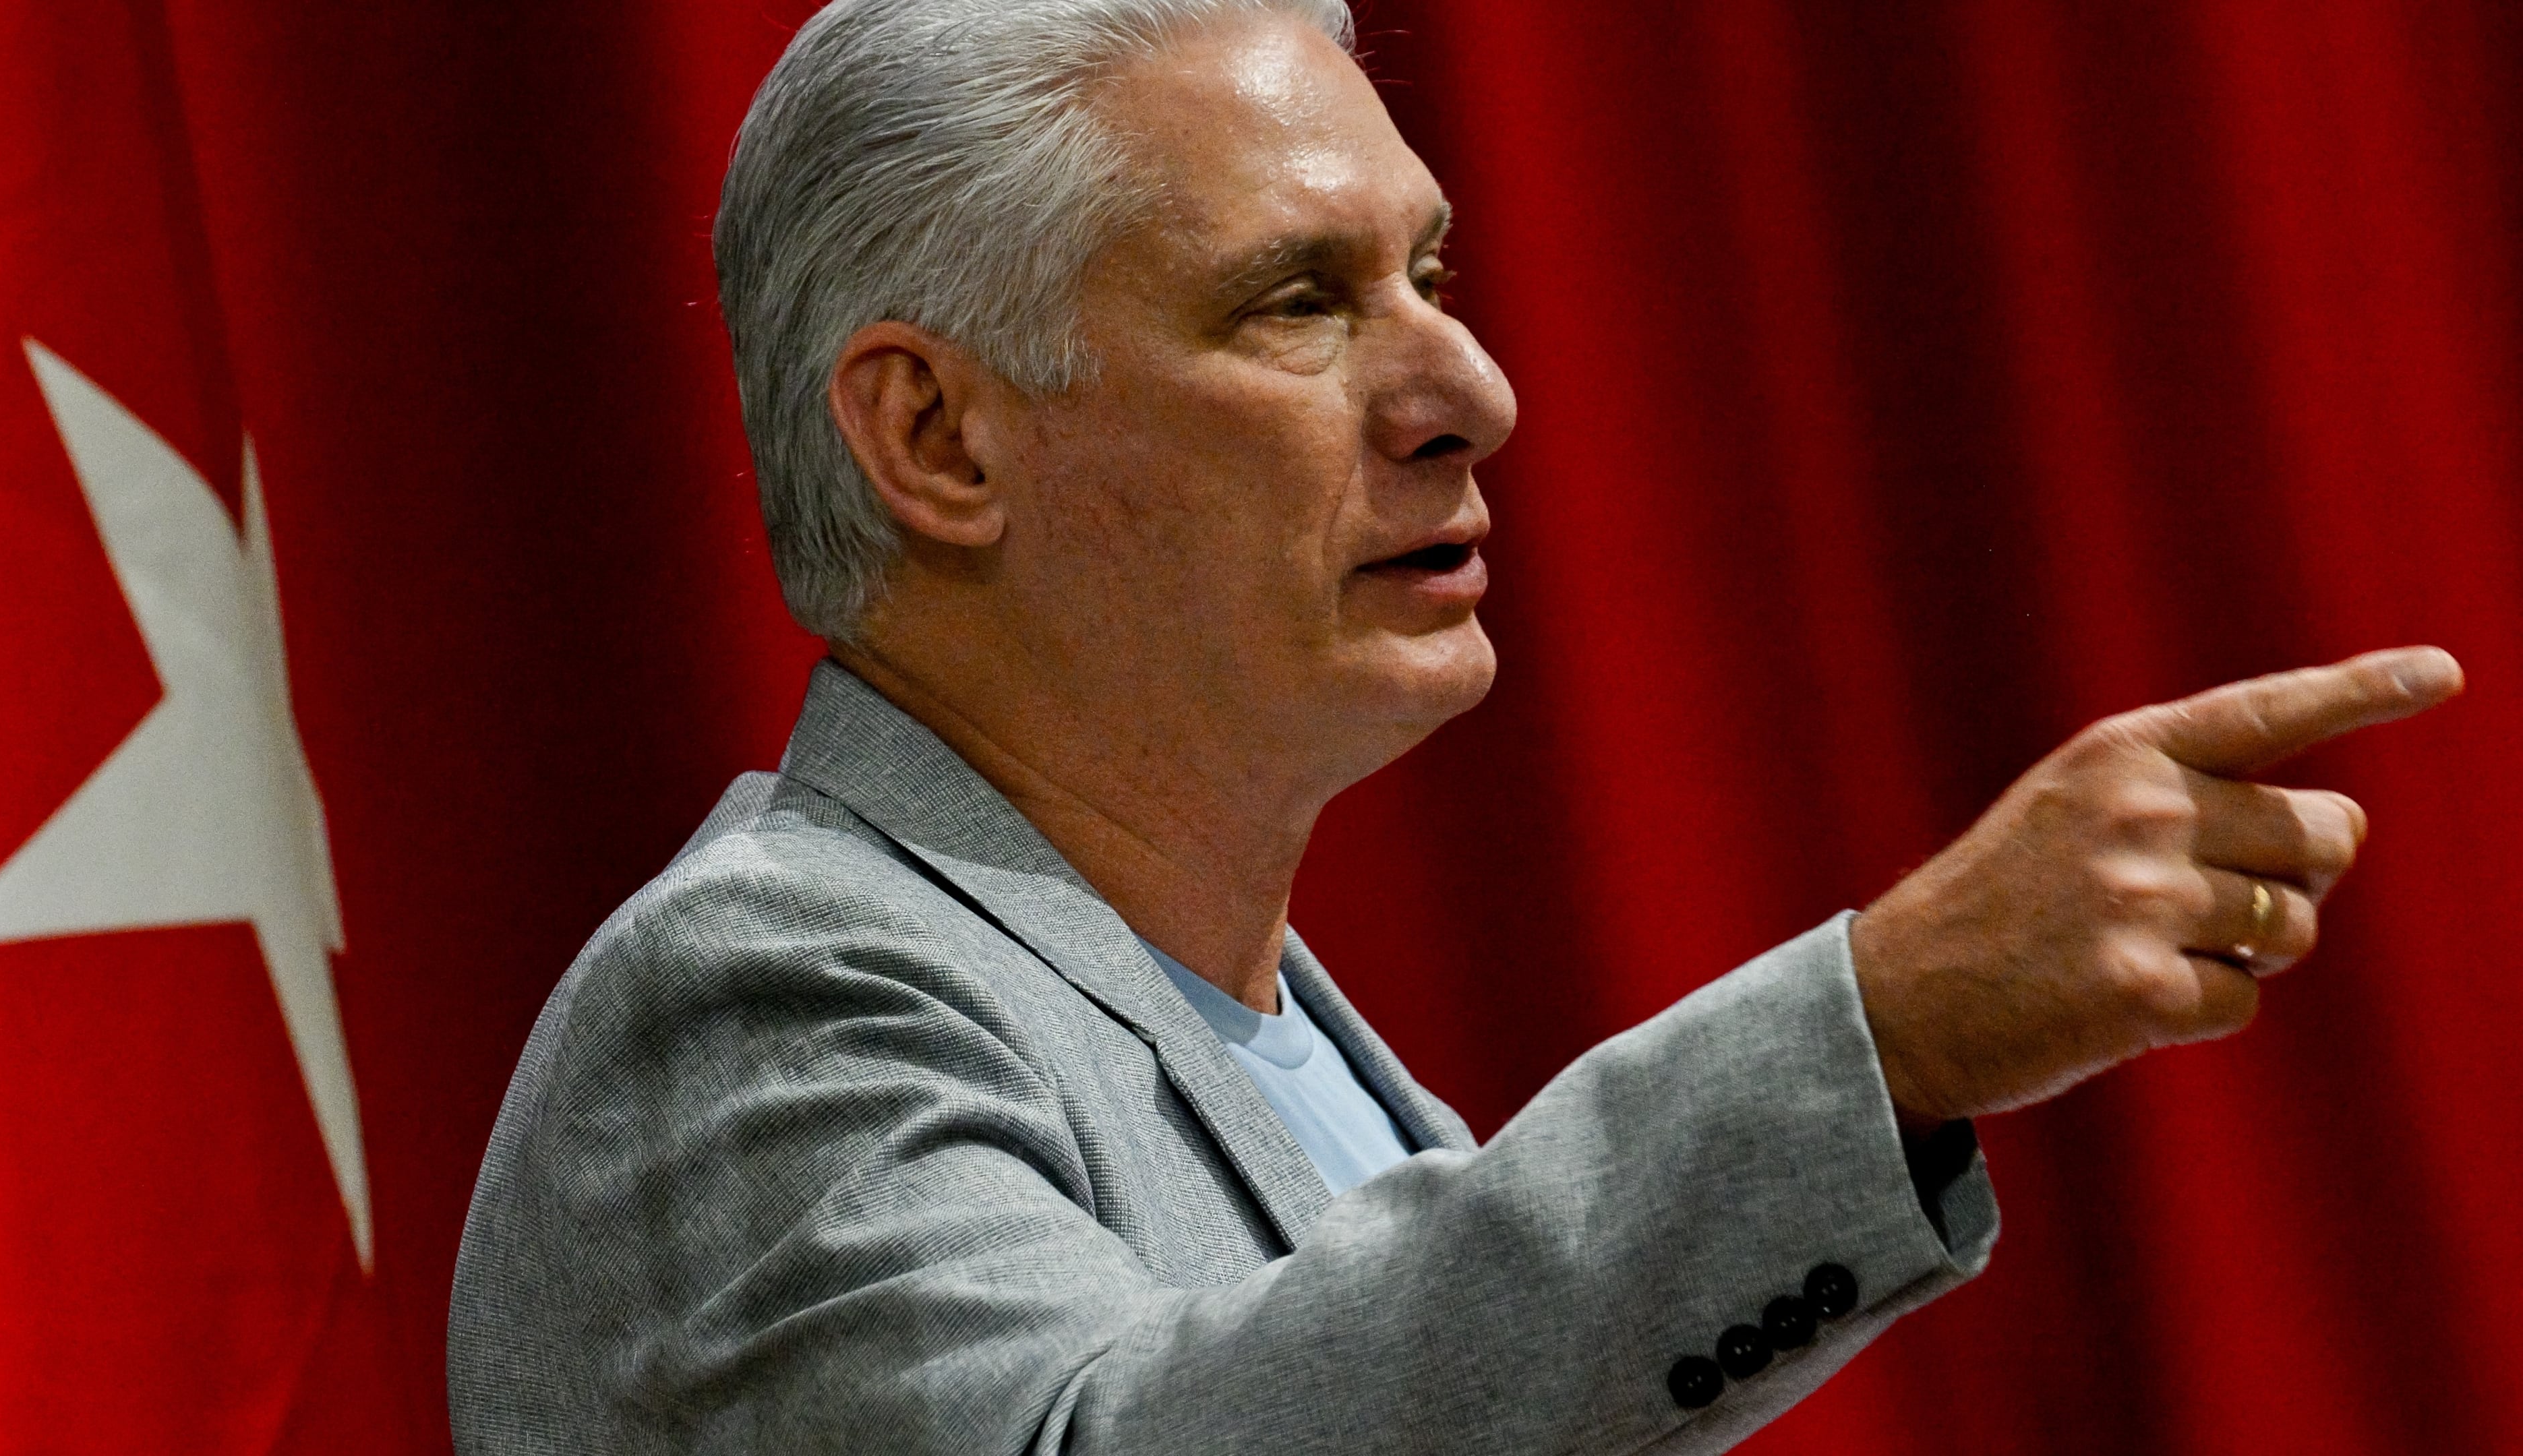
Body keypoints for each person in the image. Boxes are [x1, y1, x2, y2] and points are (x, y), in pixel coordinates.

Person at [444, 1, 2464, 1451]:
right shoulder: (765, 996)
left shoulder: (1285, 1039)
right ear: (936, 435)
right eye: (1297, 303)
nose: (1470, 388)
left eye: (1431, 270)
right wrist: (1876, 1030)